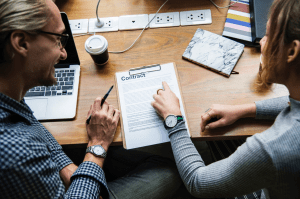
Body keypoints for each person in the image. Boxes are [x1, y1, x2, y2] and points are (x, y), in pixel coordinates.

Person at [0, 0, 181, 198]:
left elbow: (30, 125)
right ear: (21, 43)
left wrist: (66, 167)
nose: (63, 53)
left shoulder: (8, 92)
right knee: (170, 170)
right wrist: (97, 145)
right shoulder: (16, 154)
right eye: (57, 40)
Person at [151, 0, 300, 198]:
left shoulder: (271, 149)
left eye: (268, 36)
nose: (260, 42)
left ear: (292, 51)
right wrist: (244, 110)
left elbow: (198, 183)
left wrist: (173, 118)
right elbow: (293, 104)